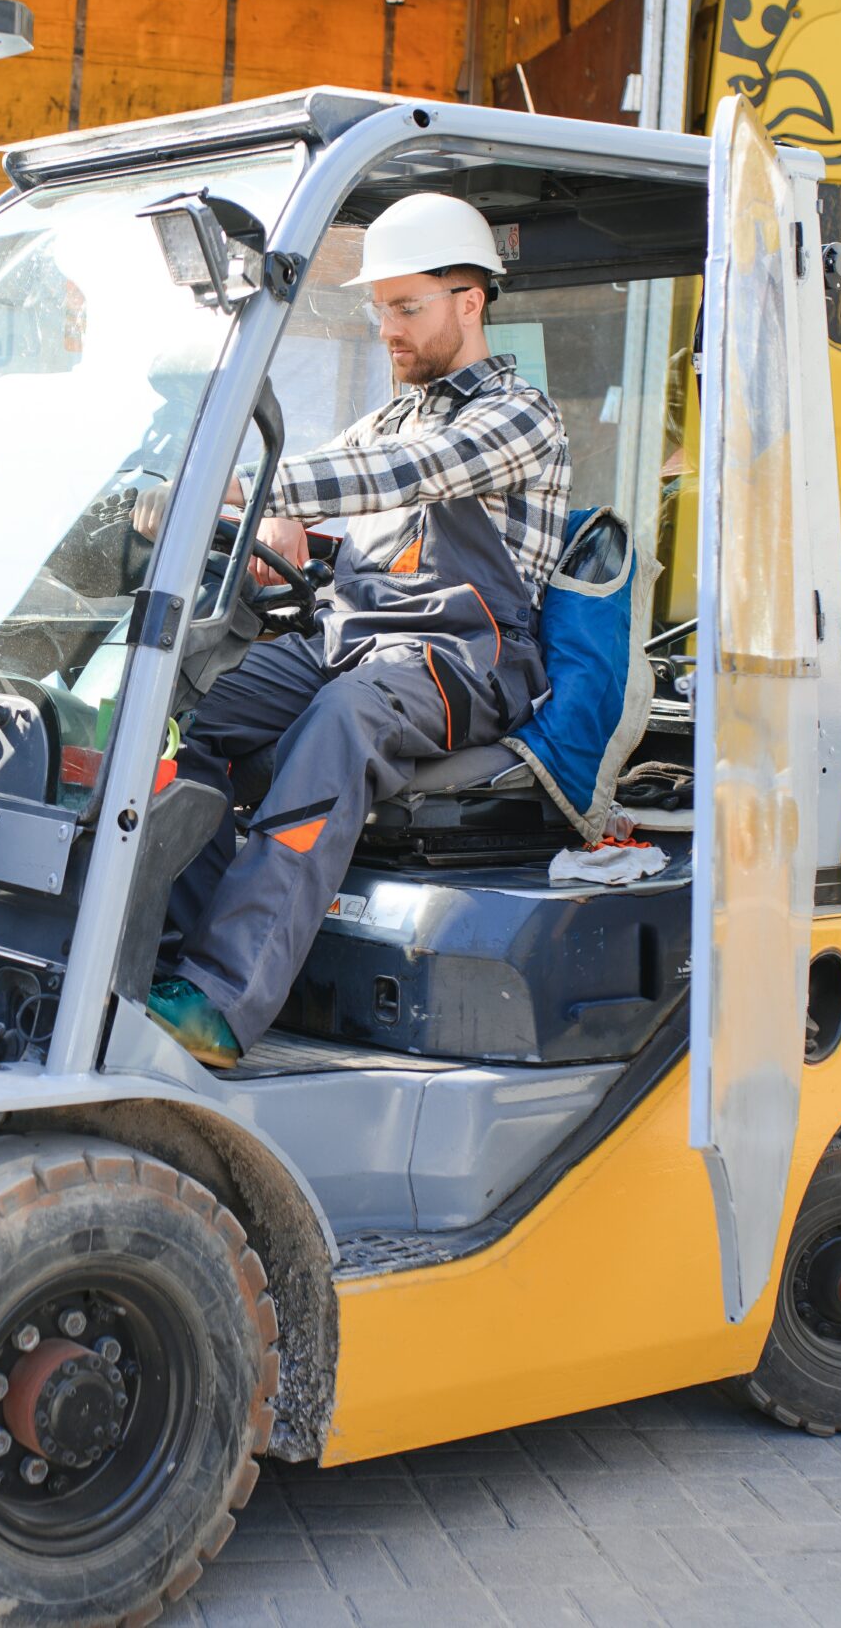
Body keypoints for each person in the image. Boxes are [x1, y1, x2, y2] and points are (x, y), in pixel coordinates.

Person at [147, 192, 572, 1067]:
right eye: (380, 310)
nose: (388, 329)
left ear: (470, 301)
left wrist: (244, 484)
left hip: (466, 655)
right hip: (357, 637)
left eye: (407, 308)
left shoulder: (520, 414)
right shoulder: (391, 415)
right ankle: (168, 963)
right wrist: (261, 524)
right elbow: (332, 491)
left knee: (344, 719)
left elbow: (397, 475)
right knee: (195, 710)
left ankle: (225, 997)